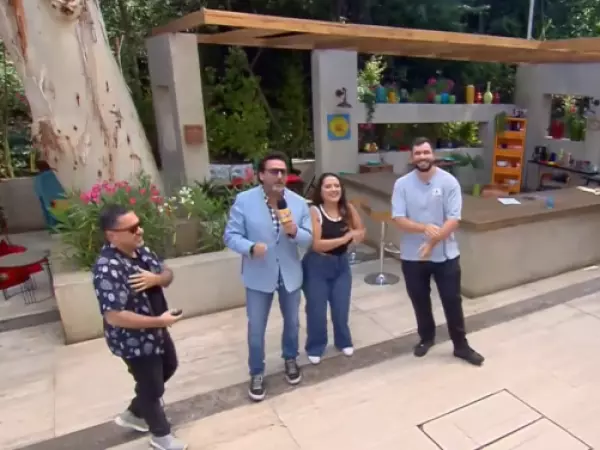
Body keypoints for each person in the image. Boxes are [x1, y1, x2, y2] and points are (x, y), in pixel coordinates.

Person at [92, 204, 187, 450]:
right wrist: (159, 321)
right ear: (112, 235)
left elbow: (167, 273)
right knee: (152, 387)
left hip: (157, 331)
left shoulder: (141, 251)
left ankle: (135, 413)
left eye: (139, 225)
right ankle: (161, 437)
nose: (140, 231)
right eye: (132, 228)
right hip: (132, 341)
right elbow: (114, 316)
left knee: (169, 366)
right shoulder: (107, 268)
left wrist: (157, 279)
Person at [224, 152, 312, 402]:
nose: (279, 176)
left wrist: (294, 232)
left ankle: (290, 358)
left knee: (292, 322)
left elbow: (309, 238)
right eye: (274, 171)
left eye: (283, 171)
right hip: (258, 273)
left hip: (289, 273)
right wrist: (251, 248)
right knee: (256, 328)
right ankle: (256, 372)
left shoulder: (298, 203)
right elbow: (230, 235)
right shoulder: (244, 201)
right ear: (261, 175)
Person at [391, 137, 484, 366]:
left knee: (452, 300)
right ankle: (426, 338)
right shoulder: (402, 184)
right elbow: (399, 218)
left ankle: (461, 346)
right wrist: (424, 228)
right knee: (419, 299)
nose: (422, 157)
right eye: (418, 153)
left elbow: (453, 220)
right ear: (412, 157)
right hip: (413, 256)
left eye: (426, 152)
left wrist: (432, 243)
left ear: (433, 155)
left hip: (446, 255)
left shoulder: (449, 182)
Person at [302, 173, 365, 365]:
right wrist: (345, 238)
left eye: (336, 185)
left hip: (341, 264)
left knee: (341, 307)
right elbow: (317, 245)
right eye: (328, 186)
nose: (333, 189)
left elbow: (360, 230)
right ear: (320, 190)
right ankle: (315, 346)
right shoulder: (315, 211)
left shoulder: (348, 208)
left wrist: (356, 236)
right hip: (317, 266)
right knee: (316, 310)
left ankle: (343, 341)